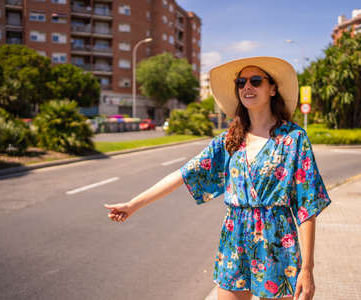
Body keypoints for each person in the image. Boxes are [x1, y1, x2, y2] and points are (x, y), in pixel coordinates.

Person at [104, 56, 331, 300]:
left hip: (278, 244)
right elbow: (182, 174)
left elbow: (307, 207)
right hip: (235, 243)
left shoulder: (294, 139)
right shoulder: (229, 140)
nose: (247, 87)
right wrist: (132, 205)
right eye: (241, 82)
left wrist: (307, 269)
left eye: (256, 81)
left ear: (272, 89)